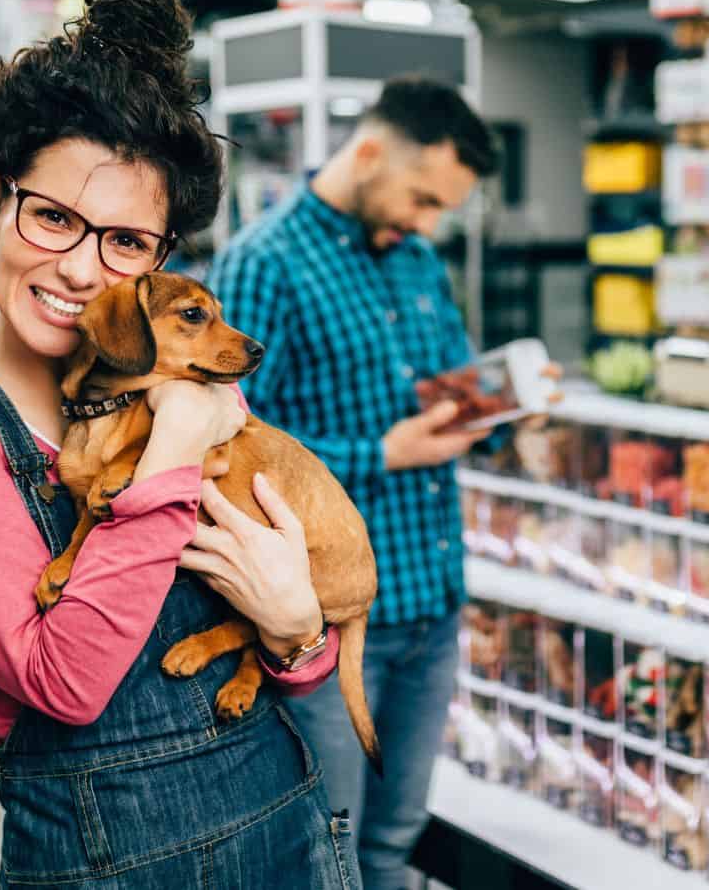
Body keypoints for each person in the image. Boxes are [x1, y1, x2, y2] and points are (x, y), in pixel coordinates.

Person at [0, 0, 358, 890]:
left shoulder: (170, 375)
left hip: (286, 823)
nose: (86, 271)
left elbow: (292, 659)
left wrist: (295, 636)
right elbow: (64, 682)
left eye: (126, 242)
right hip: (107, 863)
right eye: (53, 217)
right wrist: (175, 442)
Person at [208, 76, 504, 890]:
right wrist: (385, 453)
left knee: (392, 842)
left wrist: (502, 407)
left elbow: (452, 385)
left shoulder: (414, 261)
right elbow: (231, 452)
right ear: (368, 152)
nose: (426, 222)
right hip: (331, 624)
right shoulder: (264, 263)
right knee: (325, 850)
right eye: (421, 198)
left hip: (431, 602)